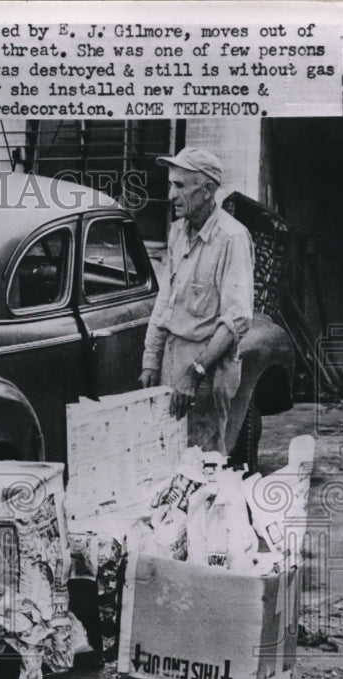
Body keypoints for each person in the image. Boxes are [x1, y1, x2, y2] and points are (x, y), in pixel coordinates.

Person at [139, 147, 255, 454]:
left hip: (207, 370)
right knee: (167, 461)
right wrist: (150, 360)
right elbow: (165, 301)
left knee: (203, 468)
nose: (171, 195)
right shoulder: (178, 231)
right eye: (170, 185)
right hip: (172, 362)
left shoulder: (232, 238)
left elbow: (237, 320)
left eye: (179, 186)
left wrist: (195, 373)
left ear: (207, 191)